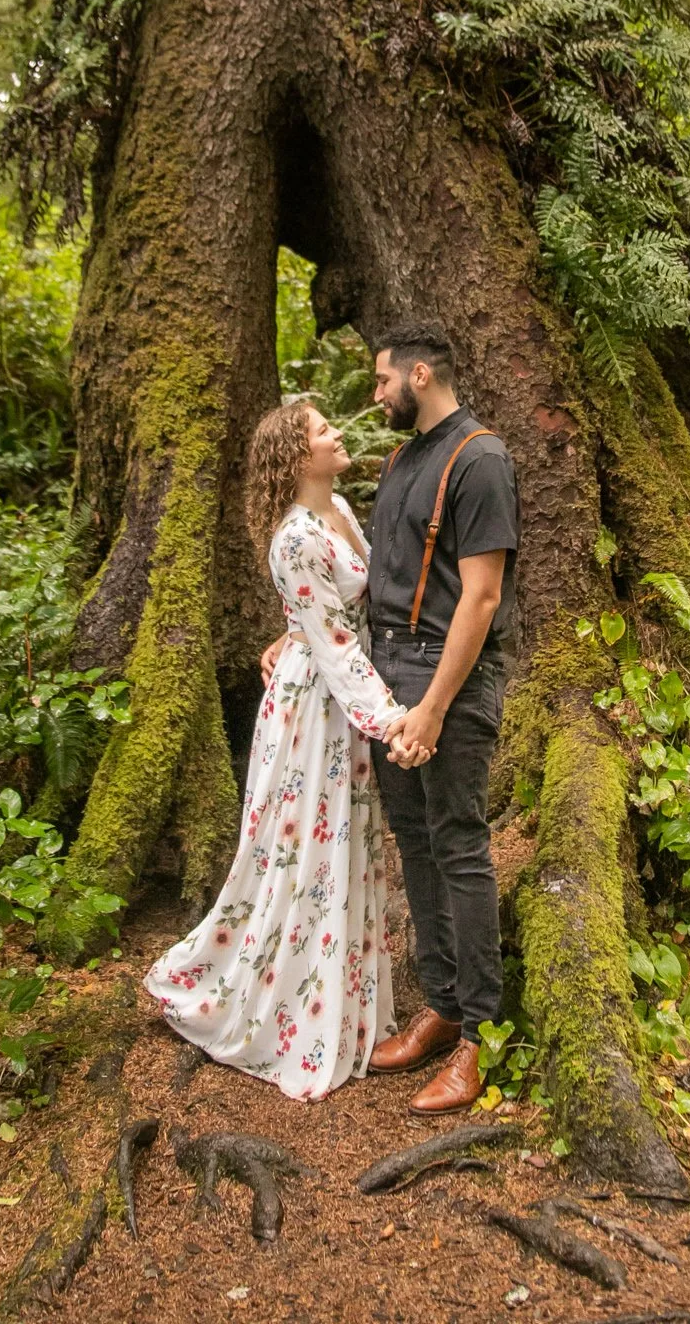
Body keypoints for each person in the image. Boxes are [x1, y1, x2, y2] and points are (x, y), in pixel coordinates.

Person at [262, 320, 520, 1114]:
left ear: (417, 375)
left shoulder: (480, 459)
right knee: (415, 841)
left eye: (380, 381)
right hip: (386, 677)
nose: (373, 396)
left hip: (451, 678)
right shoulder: (406, 458)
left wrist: (435, 707)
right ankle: (441, 1004)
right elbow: (373, 579)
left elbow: (480, 594)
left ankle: (482, 1033)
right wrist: (297, 627)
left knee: (460, 845)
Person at [143, 400, 430, 1101]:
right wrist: (391, 719)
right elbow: (330, 642)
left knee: (342, 852)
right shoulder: (296, 536)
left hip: (342, 699)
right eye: (324, 431)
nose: (338, 435)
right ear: (298, 458)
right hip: (317, 712)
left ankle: (336, 994)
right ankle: (275, 999)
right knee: (306, 854)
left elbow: (341, 611)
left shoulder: (340, 513)